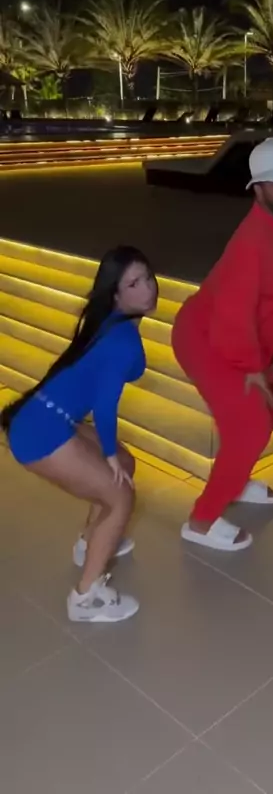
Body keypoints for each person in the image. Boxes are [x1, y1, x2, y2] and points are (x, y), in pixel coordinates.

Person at [0, 246, 158, 623]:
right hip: (43, 431)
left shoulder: (113, 322)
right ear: (116, 295)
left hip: (48, 416)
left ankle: (90, 542)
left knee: (125, 464)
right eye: (133, 284)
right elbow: (104, 407)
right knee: (121, 497)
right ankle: (86, 598)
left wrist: (113, 457)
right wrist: (106, 454)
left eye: (148, 278)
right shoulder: (122, 340)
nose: (148, 289)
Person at [172, 136, 273, 551]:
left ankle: (235, 477)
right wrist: (252, 368)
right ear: (258, 189)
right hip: (205, 339)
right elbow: (233, 315)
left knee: (267, 409)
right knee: (250, 423)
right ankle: (201, 520)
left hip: (240, 337)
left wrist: (271, 360)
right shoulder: (252, 242)